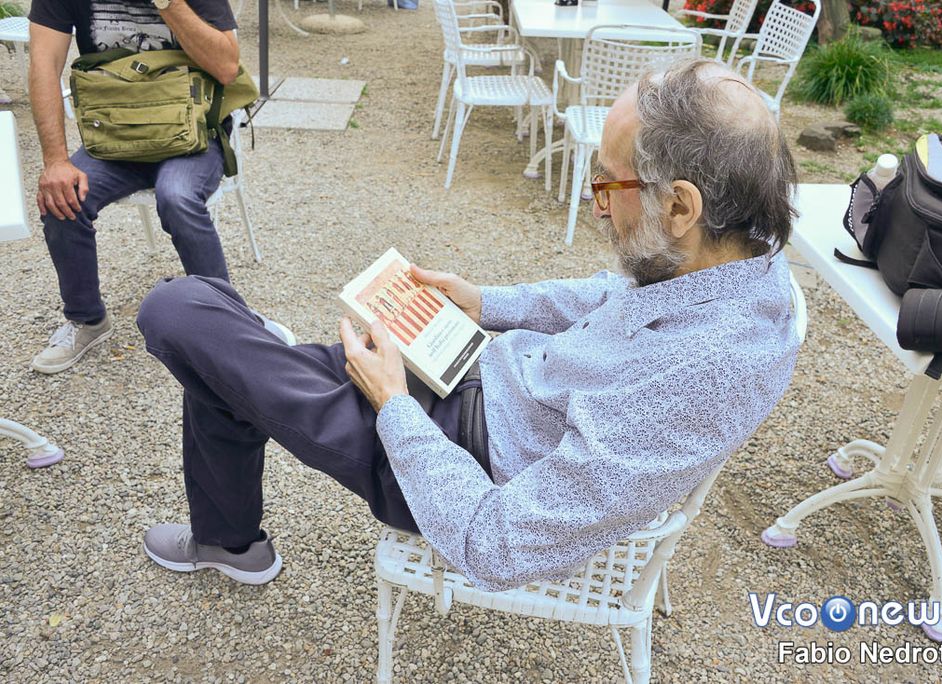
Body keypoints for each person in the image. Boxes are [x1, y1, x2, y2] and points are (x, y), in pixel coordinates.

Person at [136, 58, 801, 590]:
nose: (596, 206)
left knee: (176, 311)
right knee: (217, 356)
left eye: (607, 185)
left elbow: (499, 545)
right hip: (477, 374)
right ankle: (237, 510)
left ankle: (260, 382)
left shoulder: (706, 374)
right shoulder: (742, 258)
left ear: (681, 206)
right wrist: (487, 303)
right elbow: (615, 294)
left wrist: (393, 405)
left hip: (455, 454)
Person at [27, 0, 241, 374]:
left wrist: (168, 3)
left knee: (177, 197)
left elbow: (226, 67)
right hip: (114, 134)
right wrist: (55, 160)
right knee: (62, 197)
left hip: (191, 133)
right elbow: (43, 65)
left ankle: (229, 324)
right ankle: (87, 319)